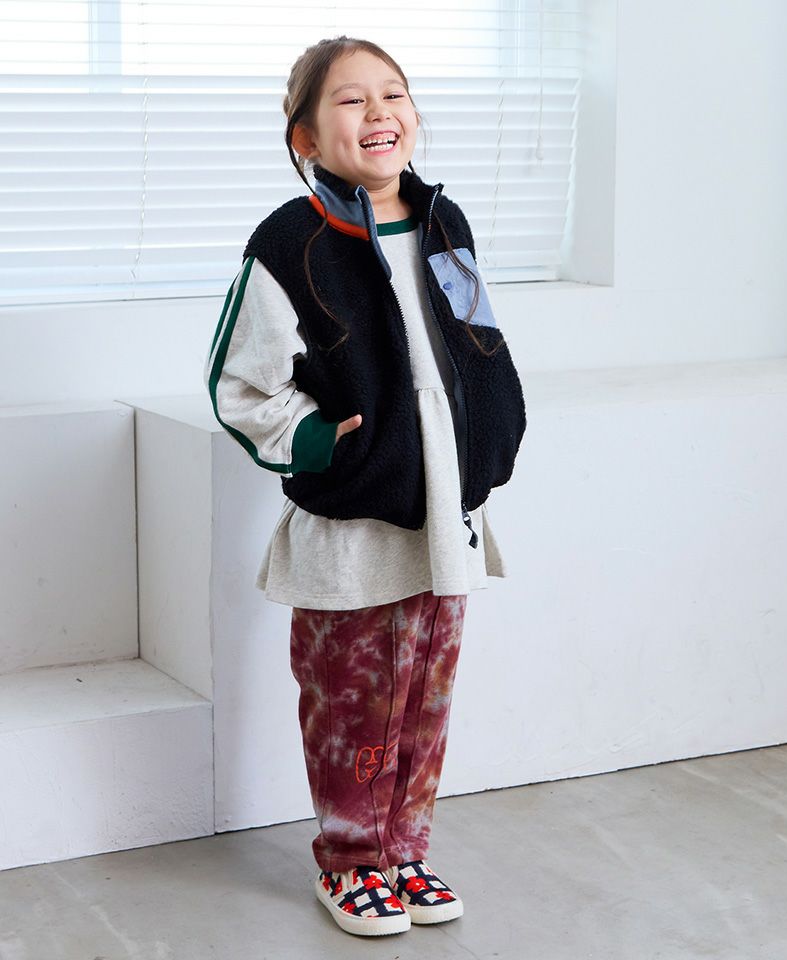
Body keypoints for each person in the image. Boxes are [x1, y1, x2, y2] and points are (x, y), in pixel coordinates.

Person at [204, 35, 527, 938]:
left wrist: (496, 429)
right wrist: (320, 444)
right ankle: (351, 862)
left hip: (445, 512)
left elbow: (477, 338)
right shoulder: (291, 244)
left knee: (425, 696)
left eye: (394, 92)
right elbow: (239, 385)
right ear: (306, 136)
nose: (379, 111)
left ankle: (404, 852)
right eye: (351, 100)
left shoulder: (444, 224)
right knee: (355, 703)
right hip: (354, 525)